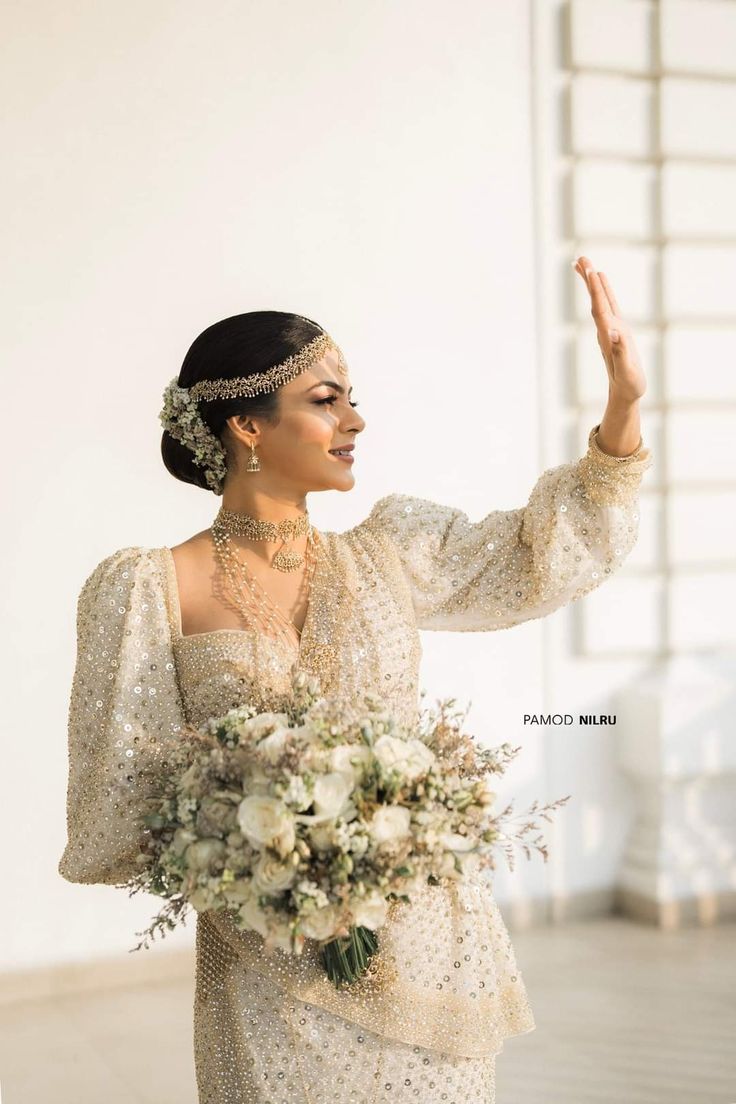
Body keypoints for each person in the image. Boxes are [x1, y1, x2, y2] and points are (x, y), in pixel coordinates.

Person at [58, 256, 653, 1103]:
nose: (357, 420)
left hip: (428, 956)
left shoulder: (389, 554)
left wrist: (622, 409)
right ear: (247, 427)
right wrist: (259, 842)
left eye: (352, 398)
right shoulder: (149, 589)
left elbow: (537, 558)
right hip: (269, 974)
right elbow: (126, 792)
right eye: (326, 399)